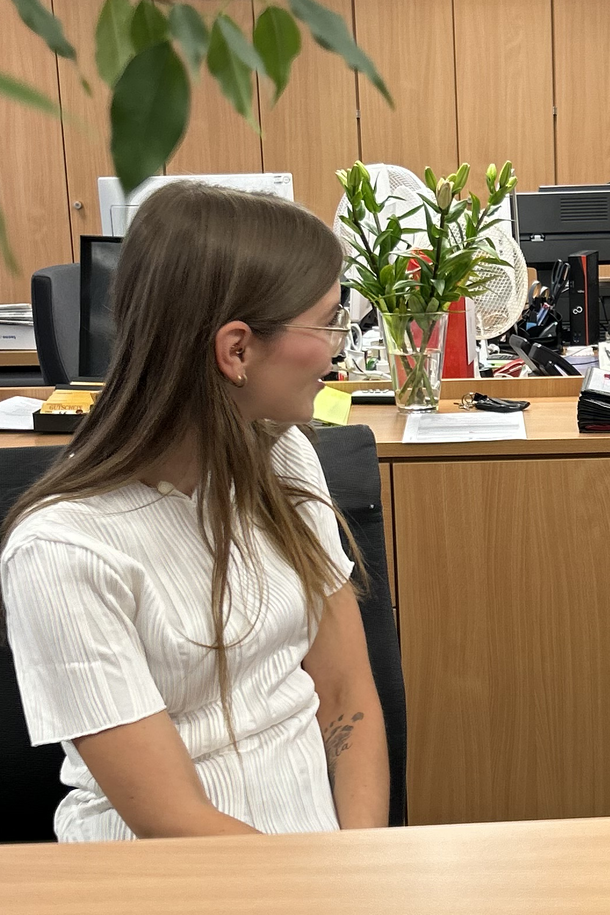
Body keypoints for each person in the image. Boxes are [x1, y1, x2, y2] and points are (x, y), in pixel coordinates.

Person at [0, 183, 388, 841]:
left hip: (315, 860)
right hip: (170, 879)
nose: (336, 349)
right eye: (326, 323)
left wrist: (361, 862)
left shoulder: (282, 452)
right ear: (236, 351)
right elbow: (175, 824)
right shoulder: (63, 552)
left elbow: (348, 695)